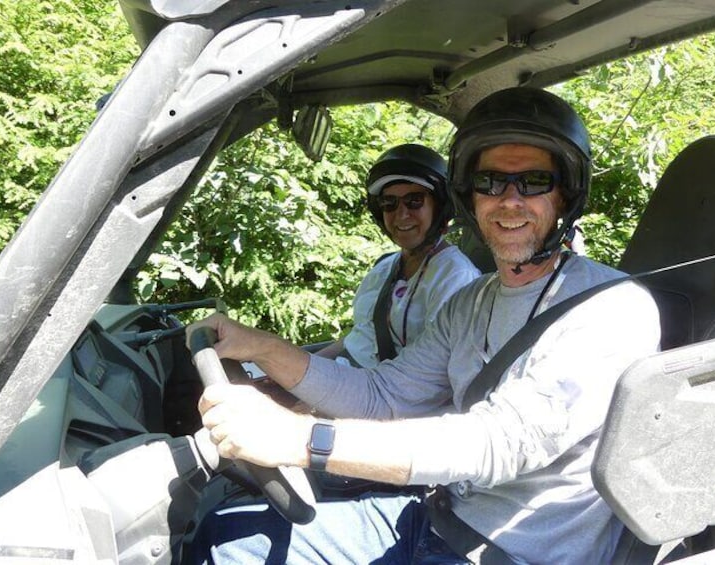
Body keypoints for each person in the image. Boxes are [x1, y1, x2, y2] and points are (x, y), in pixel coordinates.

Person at [186, 87, 661, 564]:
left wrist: (300, 438)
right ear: (469, 197)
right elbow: (383, 395)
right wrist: (263, 347)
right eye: (490, 182)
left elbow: (498, 443)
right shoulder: (472, 302)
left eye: (534, 181)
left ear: (566, 194)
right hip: (436, 514)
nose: (510, 201)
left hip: (510, 552)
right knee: (228, 538)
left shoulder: (611, 307)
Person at [314, 143, 481, 368]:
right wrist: (305, 368)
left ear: (440, 207)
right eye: (389, 203)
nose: (401, 214)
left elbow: (434, 370)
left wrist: (324, 388)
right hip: (347, 373)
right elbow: (361, 336)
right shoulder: (385, 267)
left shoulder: (455, 276)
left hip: (381, 392)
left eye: (414, 201)